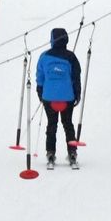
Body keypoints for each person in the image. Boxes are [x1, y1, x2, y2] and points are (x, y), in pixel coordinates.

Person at [36, 27, 82, 168]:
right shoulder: (71, 57)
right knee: (68, 124)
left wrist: (41, 93)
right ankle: (72, 152)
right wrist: (77, 94)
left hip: (49, 97)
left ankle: (50, 152)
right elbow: (76, 77)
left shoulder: (44, 57)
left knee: (52, 124)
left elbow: (40, 77)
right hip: (67, 97)